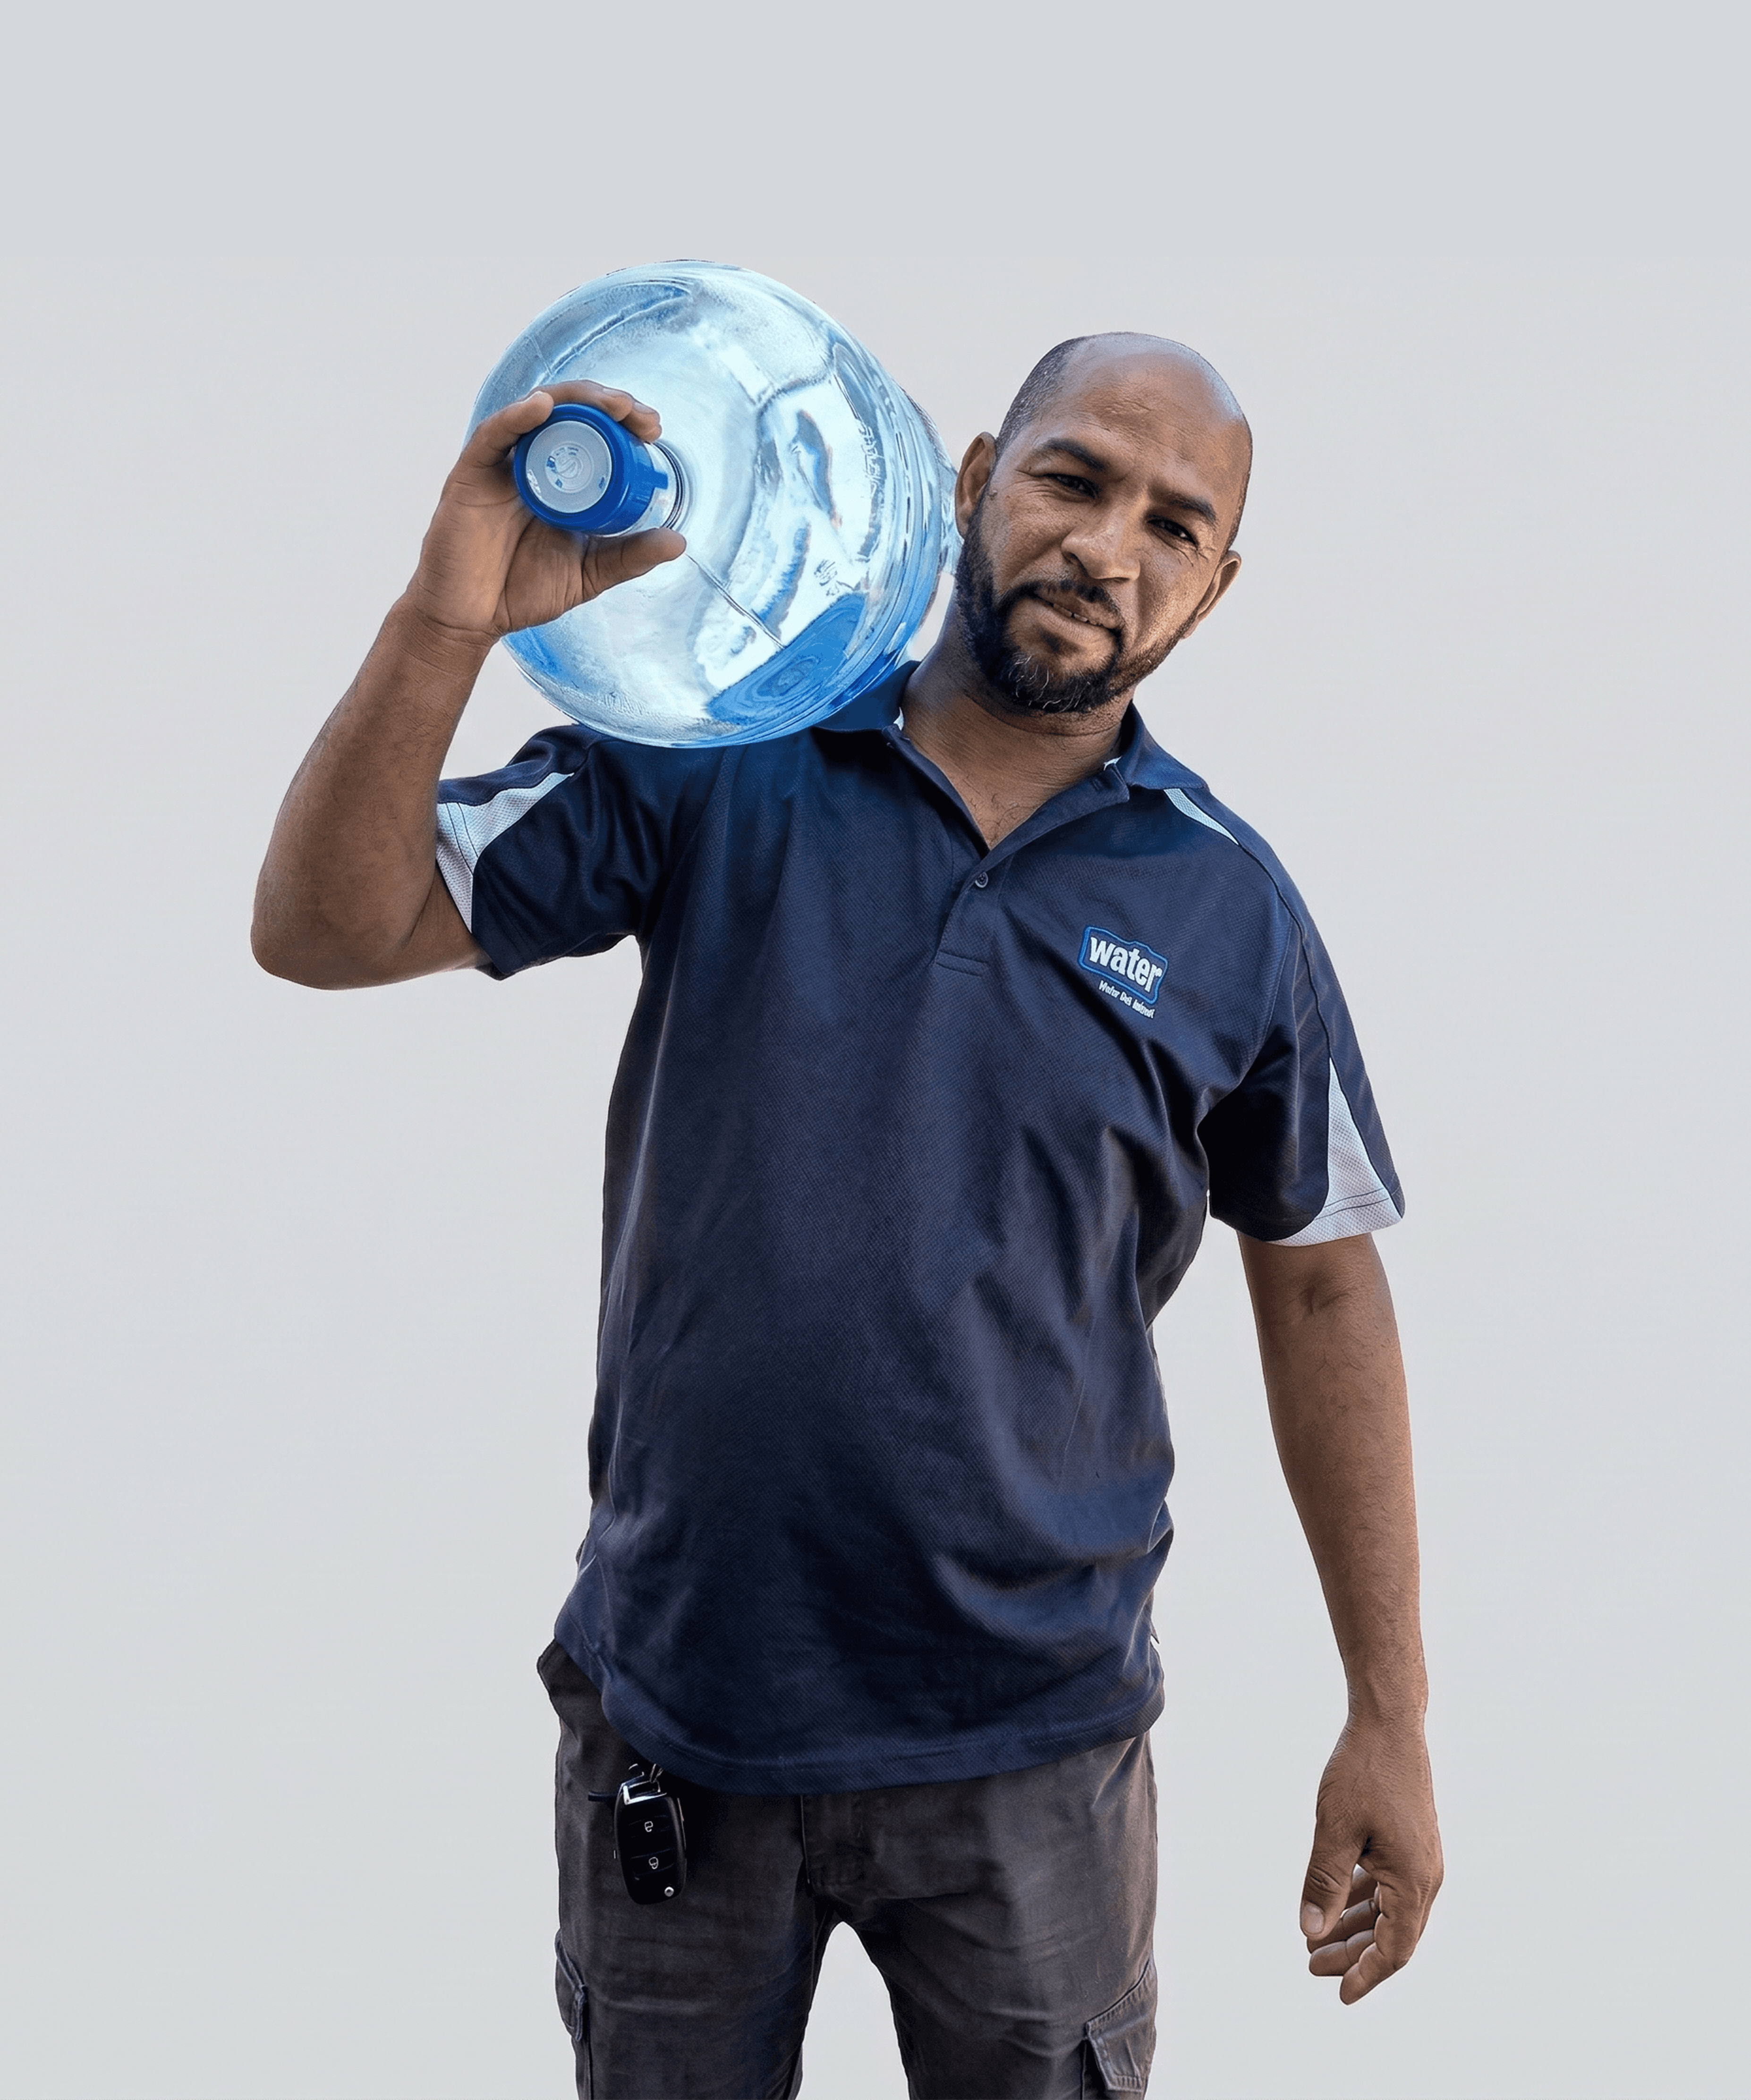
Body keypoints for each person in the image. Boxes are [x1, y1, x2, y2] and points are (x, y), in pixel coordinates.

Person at [253, 329, 1443, 2098]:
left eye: (1172, 525)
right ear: (972, 479)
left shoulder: (1226, 907)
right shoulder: (724, 750)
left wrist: (1387, 1717)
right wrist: (449, 623)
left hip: (1030, 1741)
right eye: (1072, 478)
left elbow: (1326, 1290)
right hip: (683, 1707)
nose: (1106, 547)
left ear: (1216, 582)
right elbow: (322, 928)